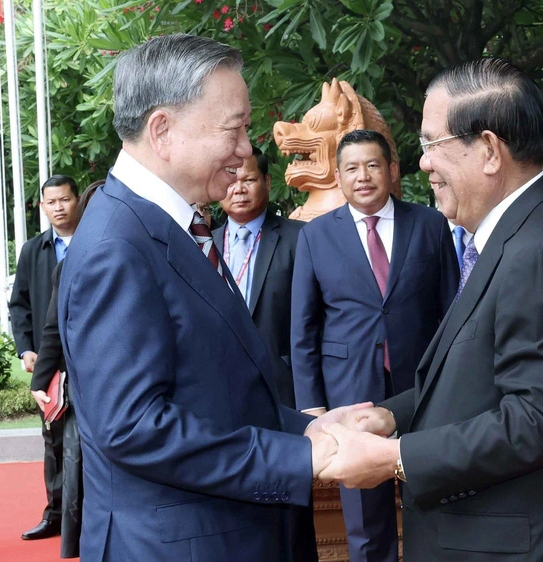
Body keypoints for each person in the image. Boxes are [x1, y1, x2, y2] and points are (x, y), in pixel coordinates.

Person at [55, 34, 370, 561]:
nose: (246, 149)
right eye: (235, 128)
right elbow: (133, 427)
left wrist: (310, 429)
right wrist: (299, 458)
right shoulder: (117, 245)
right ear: (163, 130)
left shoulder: (171, 226)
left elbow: (213, 395)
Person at [315, 58, 543, 561]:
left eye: (431, 144)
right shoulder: (515, 234)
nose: (423, 164)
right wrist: (387, 416)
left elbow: (538, 419)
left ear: (488, 151)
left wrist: (396, 458)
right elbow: (477, 380)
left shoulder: (542, 249)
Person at [291, 128, 459, 562]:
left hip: (420, 387)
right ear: (338, 177)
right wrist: (312, 406)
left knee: (430, 498)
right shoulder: (314, 235)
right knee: (365, 518)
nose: (362, 176)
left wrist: (452, 383)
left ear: (392, 170)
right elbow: (304, 328)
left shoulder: (430, 224)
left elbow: (451, 315)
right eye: (351, 168)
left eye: (372, 165)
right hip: (350, 391)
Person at [212, 147, 317, 561]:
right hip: (224, 392)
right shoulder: (202, 242)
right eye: (232, 179)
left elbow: (314, 320)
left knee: (290, 501)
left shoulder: (299, 238)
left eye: (249, 179)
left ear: (268, 183)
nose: (239, 188)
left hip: (284, 389)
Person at [30, 180, 104, 558]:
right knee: (77, 461)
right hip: (84, 384)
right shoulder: (68, 266)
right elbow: (53, 329)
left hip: (130, 384)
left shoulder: (145, 257)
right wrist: (40, 380)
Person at [10, 174, 80, 541]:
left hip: (89, 360)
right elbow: (19, 305)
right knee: (53, 440)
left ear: (77, 200)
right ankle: (55, 514)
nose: (59, 207)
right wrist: (26, 349)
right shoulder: (32, 250)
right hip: (49, 362)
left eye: (65, 199)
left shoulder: (94, 242)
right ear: (42, 206)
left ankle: (89, 515)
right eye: (51, 202)